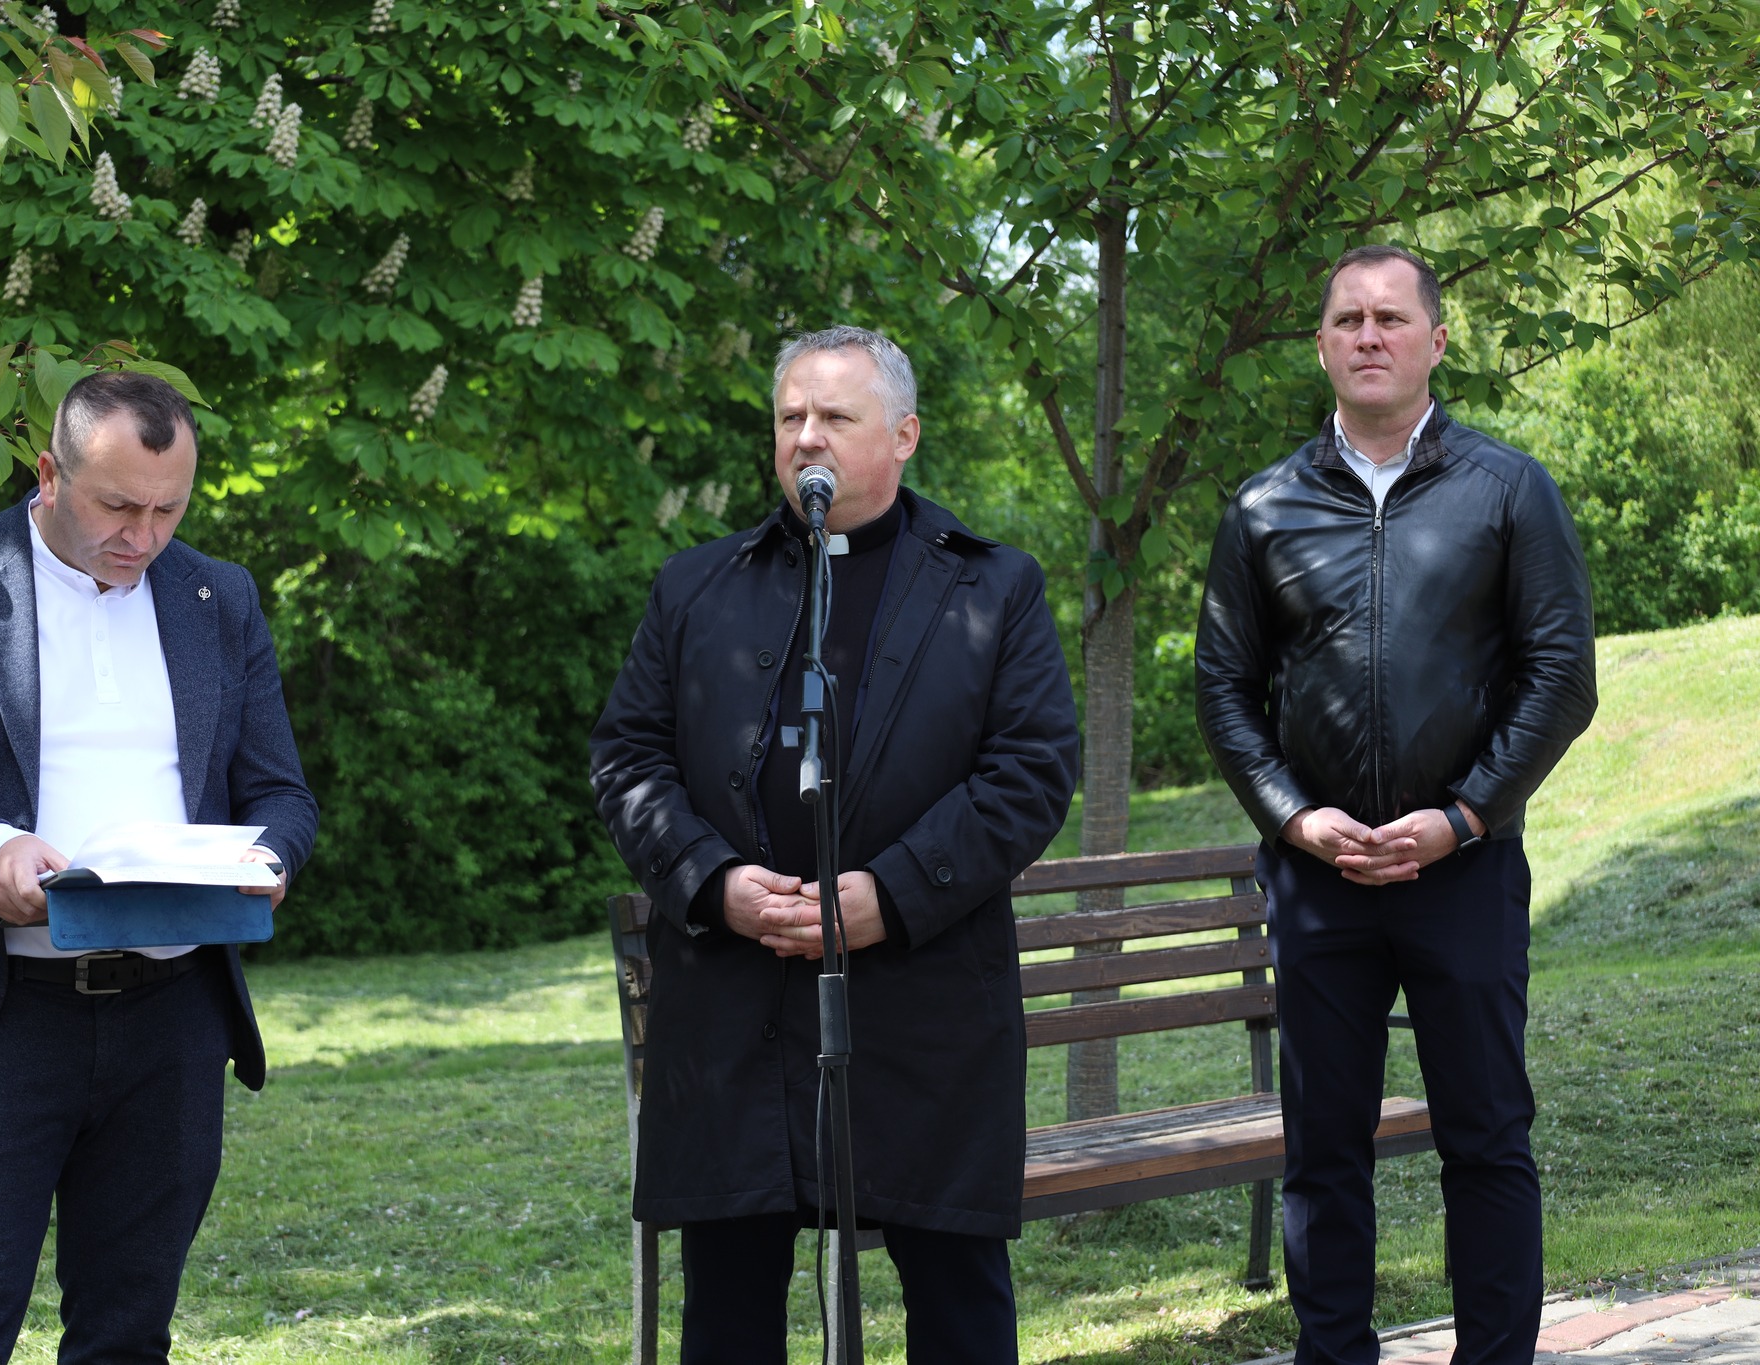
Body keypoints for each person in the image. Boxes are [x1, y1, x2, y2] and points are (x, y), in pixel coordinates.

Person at [590, 326, 1081, 1363]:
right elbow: (628, 758)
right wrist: (712, 881)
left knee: (955, 1299)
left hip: (925, 1002)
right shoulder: (695, 587)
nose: (805, 437)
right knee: (728, 1306)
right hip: (733, 1001)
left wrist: (888, 894)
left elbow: (1030, 772)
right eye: (790, 418)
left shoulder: (993, 588)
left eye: (834, 417)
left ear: (903, 436)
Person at [0, 370, 319, 1363]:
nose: (143, 535)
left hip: (171, 1024)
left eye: (168, 510)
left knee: (128, 1338)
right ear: (49, 475)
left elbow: (280, 793)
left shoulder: (218, 597)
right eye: (118, 506)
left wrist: (264, 857)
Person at [1195, 244, 1598, 1365]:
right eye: (1347, 319)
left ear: (1436, 340)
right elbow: (1222, 689)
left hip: (1462, 869)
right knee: (1323, 1148)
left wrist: (1463, 817)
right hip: (1317, 882)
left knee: (1486, 1135)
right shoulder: (1264, 506)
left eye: (1389, 317)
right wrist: (1293, 817)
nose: (1368, 335)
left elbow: (1560, 676)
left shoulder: (1506, 490)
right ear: (1319, 346)